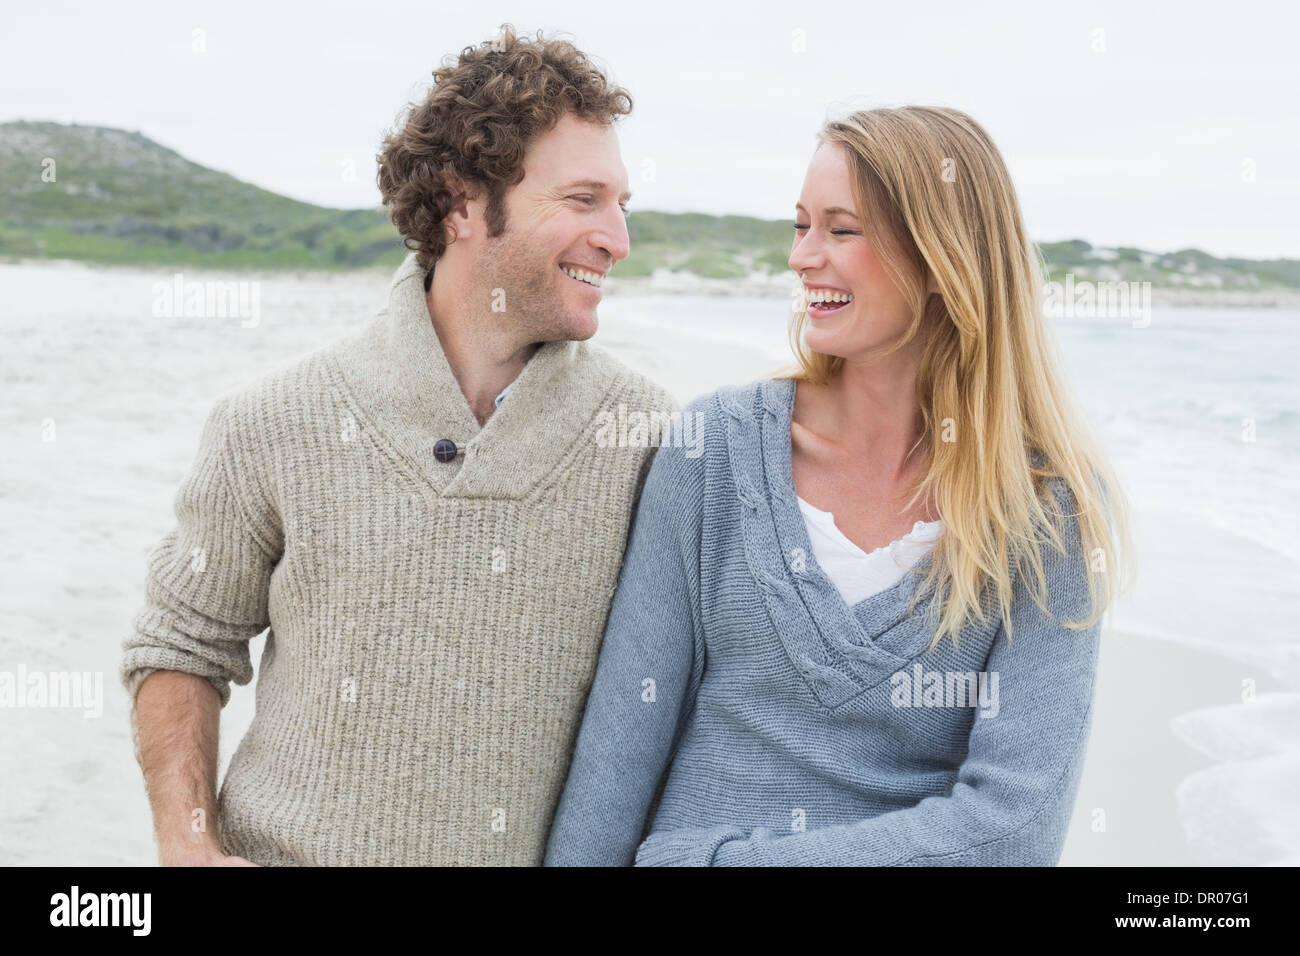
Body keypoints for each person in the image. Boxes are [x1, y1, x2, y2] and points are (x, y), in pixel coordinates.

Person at [120, 25, 678, 866]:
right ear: (461, 203)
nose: (618, 239)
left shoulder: (652, 440)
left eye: (621, 205)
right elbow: (179, 648)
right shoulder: (271, 423)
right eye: (582, 200)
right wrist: (187, 843)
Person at [544, 105, 1135, 866]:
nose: (802, 257)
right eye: (800, 227)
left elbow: (1013, 832)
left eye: (840, 229)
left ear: (940, 258)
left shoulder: (1050, 513)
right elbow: (618, 751)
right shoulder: (714, 450)